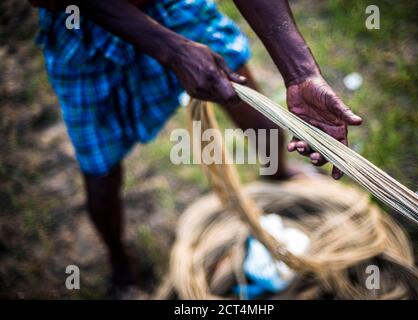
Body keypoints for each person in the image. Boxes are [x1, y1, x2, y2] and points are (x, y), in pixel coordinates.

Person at [31, 0, 362, 291]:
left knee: (252, 103)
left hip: (170, 3)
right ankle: (119, 262)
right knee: (100, 168)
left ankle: (278, 173)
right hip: (84, 25)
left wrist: (301, 74)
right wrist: (172, 50)